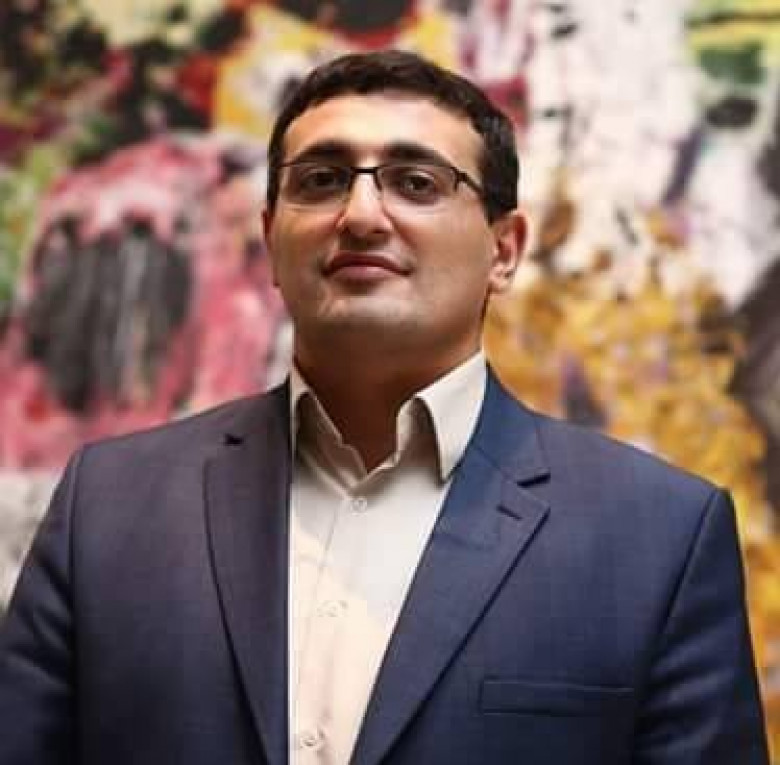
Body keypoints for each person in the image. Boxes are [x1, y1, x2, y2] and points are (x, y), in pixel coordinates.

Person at [0, 50, 769, 765]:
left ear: (503, 250)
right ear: (270, 239)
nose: (362, 215)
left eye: (417, 182)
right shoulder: (109, 505)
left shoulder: (659, 535)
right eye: (321, 180)